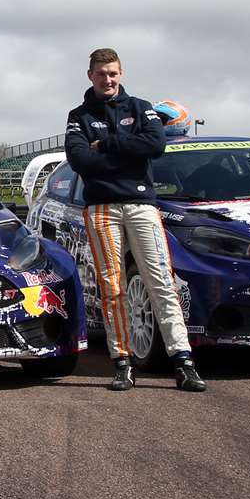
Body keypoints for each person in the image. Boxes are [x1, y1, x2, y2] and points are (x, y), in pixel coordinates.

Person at [64, 49, 206, 393]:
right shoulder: (78, 115)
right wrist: (127, 152)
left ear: (121, 73)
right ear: (90, 76)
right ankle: (122, 362)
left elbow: (155, 145)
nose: (107, 80)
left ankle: (183, 362)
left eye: (112, 73)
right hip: (101, 208)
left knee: (160, 282)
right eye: (101, 74)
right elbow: (80, 160)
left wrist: (107, 145)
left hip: (142, 205)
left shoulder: (142, 107)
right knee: (112, 288)